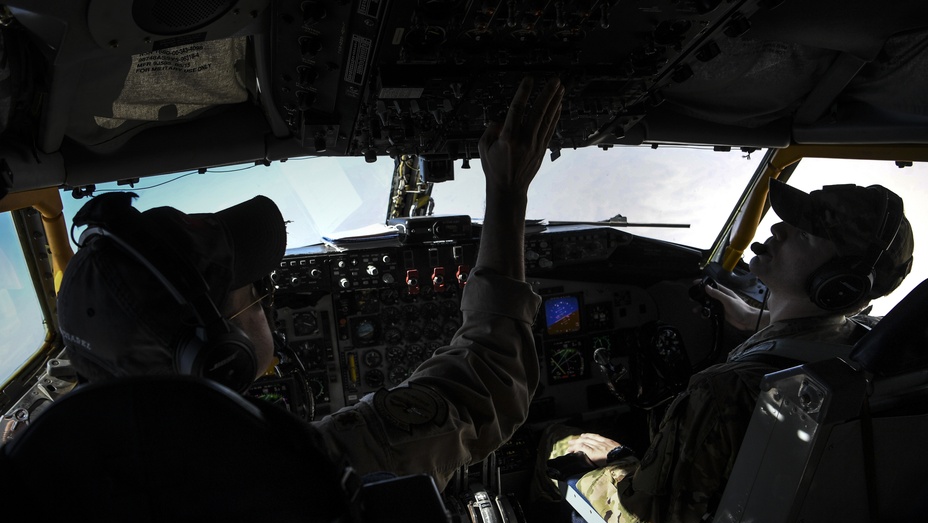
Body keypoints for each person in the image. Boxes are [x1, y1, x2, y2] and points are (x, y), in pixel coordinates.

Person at [53, 76, 564, 491]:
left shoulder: (60, 499)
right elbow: (491, 379)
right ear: (219, 357)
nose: (268, 303)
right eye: (257, 292)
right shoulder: (309, 472)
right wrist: (508, 189)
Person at [541, 179, 915, 523]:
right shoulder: (883, 349)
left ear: (840, 283)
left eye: (803, 233)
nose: (778, 228)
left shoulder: (725, 390)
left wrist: (614, 460)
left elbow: (646, 521)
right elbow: (823, 331)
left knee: (553, 441)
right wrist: (761, 319)